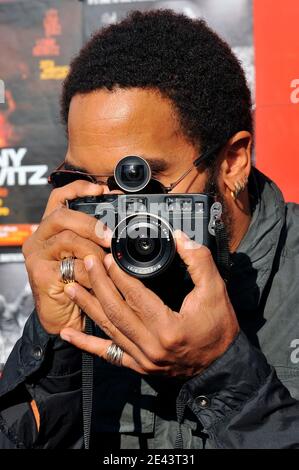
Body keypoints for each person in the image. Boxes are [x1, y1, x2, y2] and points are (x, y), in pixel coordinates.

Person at [0, 10, 299, 449]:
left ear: (232, 161)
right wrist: (55, 345)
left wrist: (221, 371)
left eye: (141, 183)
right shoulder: (86, 277)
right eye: (88, 185)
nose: (116, 213)